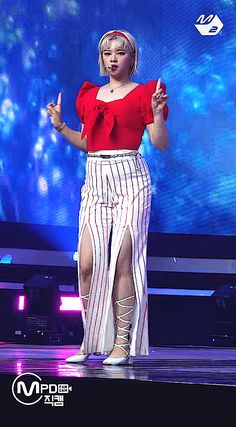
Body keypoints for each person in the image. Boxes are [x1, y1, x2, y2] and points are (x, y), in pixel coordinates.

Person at [47, 29, 169, 365]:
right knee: (86, 263)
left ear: (132, 57)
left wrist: (157, 114)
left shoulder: (146, 93)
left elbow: (159, 143)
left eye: (120, 52)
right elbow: (91, 143)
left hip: (130, 177)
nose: (113, 58)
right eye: (106, 53)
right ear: (101, 58)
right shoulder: (89, 96)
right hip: (96, 177)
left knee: (122, 261)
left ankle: (121, 344)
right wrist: (60, 126)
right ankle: (89, 340)